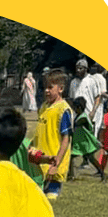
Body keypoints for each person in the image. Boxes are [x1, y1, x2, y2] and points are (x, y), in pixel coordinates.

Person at [31, 69, 73, 200]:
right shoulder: (44, 107)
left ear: (60, 89)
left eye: (50, 87)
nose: (46, 91)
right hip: (40, 164)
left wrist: (56, 164)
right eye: (45, 87)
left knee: (50, 201)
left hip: (53, 167)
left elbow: (66, 139)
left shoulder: (63, 110)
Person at [67, 97, 107, 181]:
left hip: (86, 144)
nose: (74, 110)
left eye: (75, 108)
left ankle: (102, 174)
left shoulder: (83, 117)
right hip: (79, 143)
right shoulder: (78, 116)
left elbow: (79, 123)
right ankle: (70, 176)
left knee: (91, 159)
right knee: (71, 157)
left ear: (79, 108)